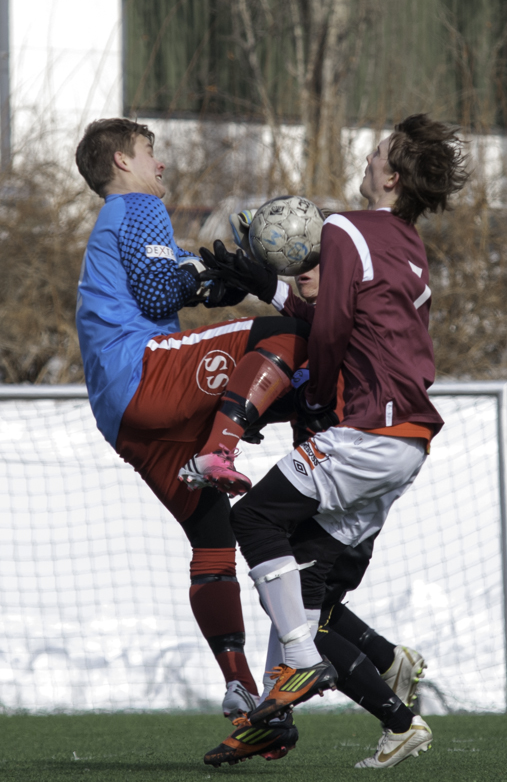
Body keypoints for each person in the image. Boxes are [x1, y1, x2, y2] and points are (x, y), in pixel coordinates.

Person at [201, 114, 468, 768]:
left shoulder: (346, 226)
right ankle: (321, 696)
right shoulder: (406, 242)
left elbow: (332, 327)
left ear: (392, 175)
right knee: (306, 580)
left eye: (377, 150)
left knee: (254, 518)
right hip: (407, 443)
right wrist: (265, 283)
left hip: (367, 428)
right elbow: (349, 313)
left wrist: (315, 396)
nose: (367, 155)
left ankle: (297, 662)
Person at [74, 117, 312, 721]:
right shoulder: (137, 207)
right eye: (151, 152)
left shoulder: (116, 225)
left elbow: (171, 277)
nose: (162, 165)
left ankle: (238, 685)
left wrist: (214, 278)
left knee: (212, 537)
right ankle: (225, 447)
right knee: (285, 332)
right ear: (123, 162)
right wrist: (216, 284)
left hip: (123, 419)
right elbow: (161, 294)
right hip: (145, 374)